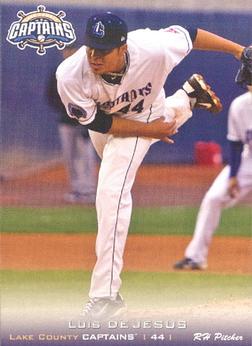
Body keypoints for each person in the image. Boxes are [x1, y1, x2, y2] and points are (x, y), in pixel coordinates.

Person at [56, 11, 249, 319]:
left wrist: (240, 51)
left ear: (123, 47)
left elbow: (191, 32)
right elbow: (101, 122)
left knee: (111, 193)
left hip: (145, 113)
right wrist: (152, 132)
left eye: (103, 49)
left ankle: (106, 297)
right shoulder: (70, 74)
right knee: (117, 163)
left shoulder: (152, 47)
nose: (94, 55)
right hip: (108, 127)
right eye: (91, 46)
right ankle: (186, 99)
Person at [174, 85, 252, 270]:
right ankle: (195, 257)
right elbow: (235, 143)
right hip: (248, 161)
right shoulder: (240, 106)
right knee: (213, 198)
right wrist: (233, 175)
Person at [47, 46, 97, 204]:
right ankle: (76, 189)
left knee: (87, 155)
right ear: (63, 53)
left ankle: (88, 189)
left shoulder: (87, 73)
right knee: (70, 156)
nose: (69, 53)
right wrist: (67, 109)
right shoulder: (58, 72)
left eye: (72, 50)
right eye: (67, 51)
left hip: (86, 123)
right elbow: (50, 96)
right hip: (66, 122)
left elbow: (95, 96)